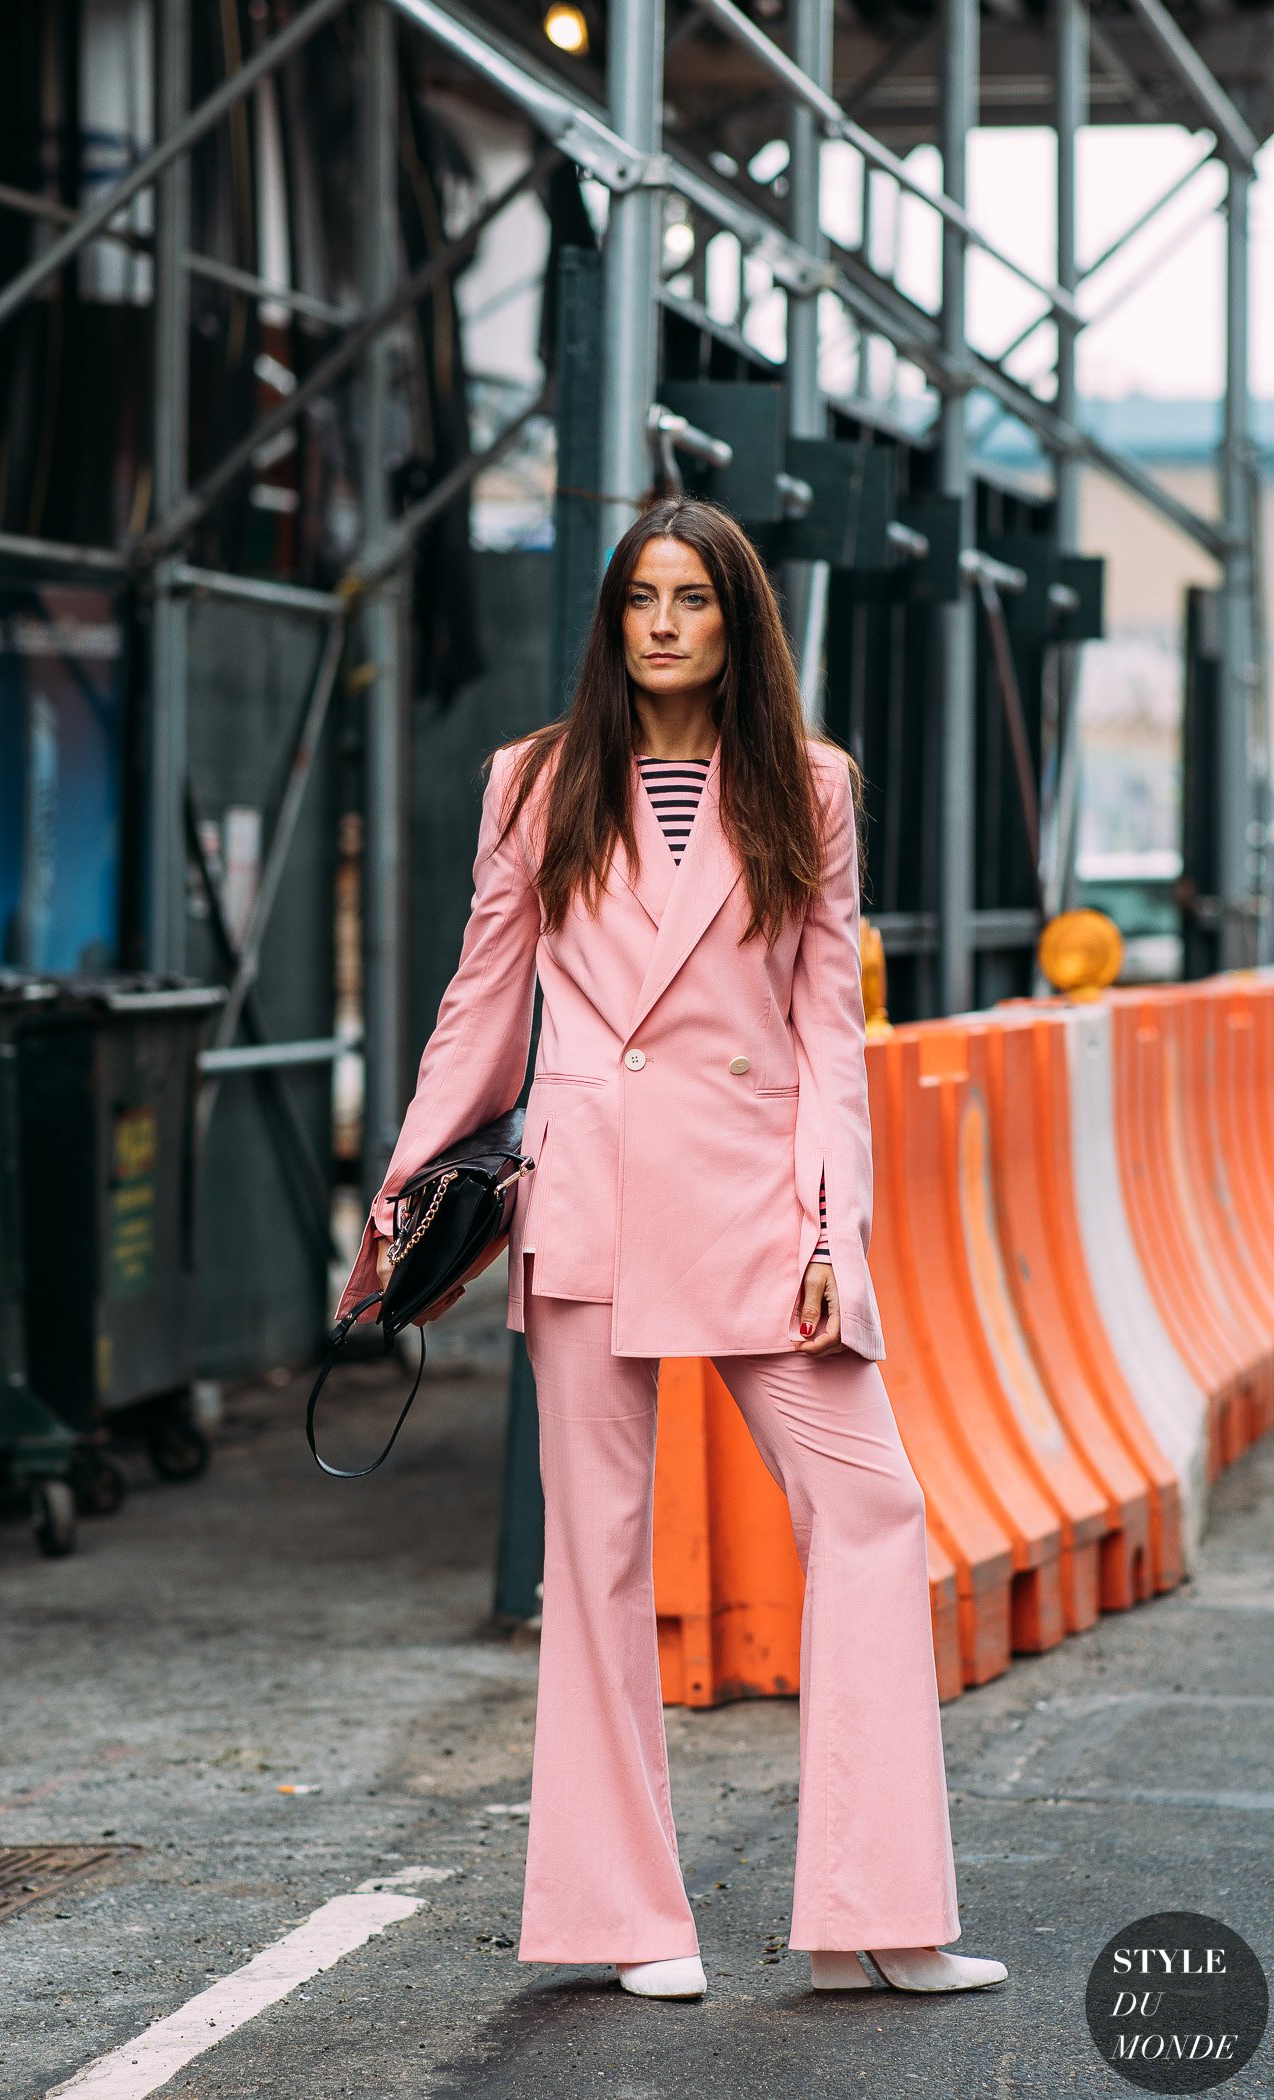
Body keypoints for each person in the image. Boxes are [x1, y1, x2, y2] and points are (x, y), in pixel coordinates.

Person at [336, 496, 1007, 2002]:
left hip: (761, 1201)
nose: (659, 623)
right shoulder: (536, 782)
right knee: (599, 1561)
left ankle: (875, 1915)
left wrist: (838, 1228)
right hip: (588, 1200)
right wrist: (401, 1187)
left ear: (735, 620)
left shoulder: (810, 789)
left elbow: (831, 1037)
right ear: (611, 618)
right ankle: (628, 1919)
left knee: (876, 1506)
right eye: (639, 596)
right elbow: (482, 1002)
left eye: (690, 597)